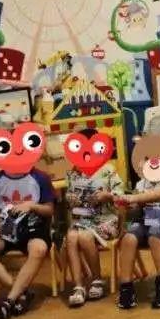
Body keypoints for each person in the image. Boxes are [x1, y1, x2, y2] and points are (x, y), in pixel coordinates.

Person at [0, 158, 55, 319]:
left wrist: (31, 206)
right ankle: (21, 293)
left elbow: (49, 210)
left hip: (34, 230)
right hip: (6, 231)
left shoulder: (40, 177)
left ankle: (10, 299)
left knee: (39, 249)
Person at [115, 135, 160, 310]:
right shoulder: (141, 184)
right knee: (129, 237)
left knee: (155, 232)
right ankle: (126, 288)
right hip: (145, 222)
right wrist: (127, 207)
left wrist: (135, 198)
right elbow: (136, 211)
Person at [63, 130, 124, 308]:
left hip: (106, 220)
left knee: (84, 236)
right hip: (81, 219)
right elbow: (69, 199)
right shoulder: (73, 172)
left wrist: (107, 195)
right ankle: (78, 286)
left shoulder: (108, 170)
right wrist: (70, 199)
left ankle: (97, 280)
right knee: (71, 236)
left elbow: (121, 196)